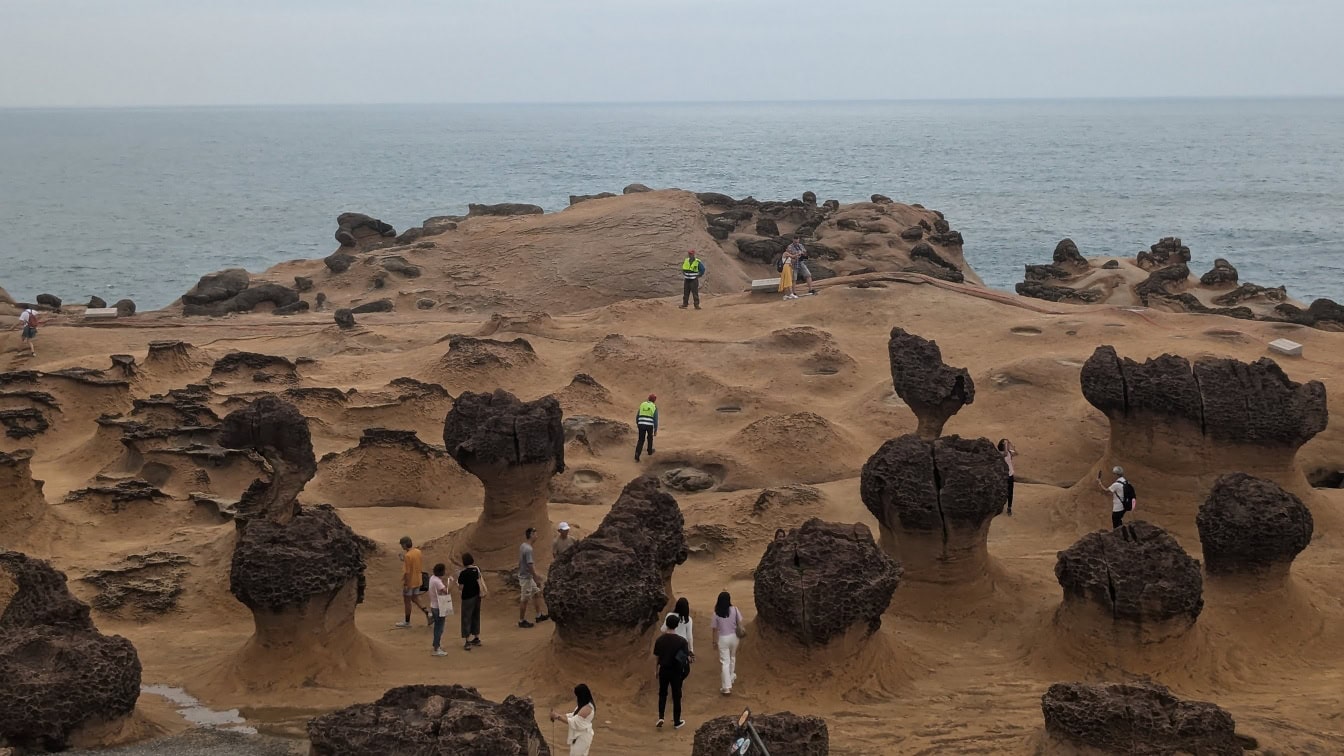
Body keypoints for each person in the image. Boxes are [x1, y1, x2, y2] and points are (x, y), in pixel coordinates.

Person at [652, 615, 690, 729]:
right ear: (677, 625)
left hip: (664, 669)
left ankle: (661, 717)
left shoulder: (660, 640)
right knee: (676, 695)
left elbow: (657, 658)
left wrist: (656, 670)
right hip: (676, 671)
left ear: (666, 624)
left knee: (662, 693)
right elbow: (685, 658)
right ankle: (677, 721)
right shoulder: (682, 641)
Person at [712, 591, 745, 695]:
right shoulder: (735, 609)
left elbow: (714, 629)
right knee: (732, 657)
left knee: (724, 662)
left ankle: (726, 687)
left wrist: (714, 642)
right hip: (734, 637)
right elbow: (739, 622)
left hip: (723, 639)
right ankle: (731, 677)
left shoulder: (716, 613)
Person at [550, 684, 596, 756]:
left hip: (582, 737)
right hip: (578, 736)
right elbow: (573, 714)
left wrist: (558, 717)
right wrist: (558, 715)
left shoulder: (587, 708)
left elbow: (573, 721)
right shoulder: (583, 704)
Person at [517, 528, 549, 628]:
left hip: (526, 576)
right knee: (524, 599)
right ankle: (521, 621)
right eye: (535, 533)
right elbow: (530, 565)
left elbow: (522, 561)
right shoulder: (529, 549)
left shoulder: (523, 545)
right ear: (531, 534)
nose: (537, 535)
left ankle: (539, 615)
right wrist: (536, 578)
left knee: (536, 593)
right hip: (526, 578)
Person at [397, 536, 431, 628]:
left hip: (410, 582)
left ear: (405, 544)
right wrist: (404, 559)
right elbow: (413, 561)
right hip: (418, 580)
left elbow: (407, 572)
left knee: (407, 602)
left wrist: (406, 584)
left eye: (402, 545)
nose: (401, 546)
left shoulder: (408, 556)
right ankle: (428, 613)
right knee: (415, 598)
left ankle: (407, 622)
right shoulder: (417, 551)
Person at [457, 553, 486, 650]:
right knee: (476, 616)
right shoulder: (476, 570)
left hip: (467, 598)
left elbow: (461, 587)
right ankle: (476, 638)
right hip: (477, 596)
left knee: (466, 618)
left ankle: (467, 641)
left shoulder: (463, 573)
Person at [428, 563, 455, 657]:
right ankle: (437, 647)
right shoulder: (437, 582)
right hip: (439, 607)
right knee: (439, 628)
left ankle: (436, 644)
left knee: (437, 627)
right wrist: (451, 582)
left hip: (434, 606)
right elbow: (447, 591)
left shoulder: (432, 578)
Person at [660, 597, 695, 661]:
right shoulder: (688, 619)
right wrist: (691, 650)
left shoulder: (669, 615)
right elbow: (689, 636)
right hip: (682, 646)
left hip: (669, 644)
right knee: (682, 666)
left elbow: (663, 629)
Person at [635, 394, 658, 462]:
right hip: (649, 424)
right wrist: (655, 430)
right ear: (654, 400)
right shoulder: (654, 406)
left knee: (641, 439)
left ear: (648, 398)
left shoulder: (642, 404)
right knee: (650, 437)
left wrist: (638, 423)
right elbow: (655, 419)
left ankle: (637, 453)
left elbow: (637, 415)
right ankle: (649, 451)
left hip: (641, 423)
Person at [998, 439, 1017, 516]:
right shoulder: (1000, 453)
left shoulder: (1009, 452)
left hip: (1010, 475)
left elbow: (1017, 453)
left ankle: (1009, 507)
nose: (1007, 444)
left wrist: (1011, 445)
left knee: (1010, 492)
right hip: (1004, 476)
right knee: (1003, 491)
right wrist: (1006, 445)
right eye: (1006, 443)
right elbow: (1005, 454)